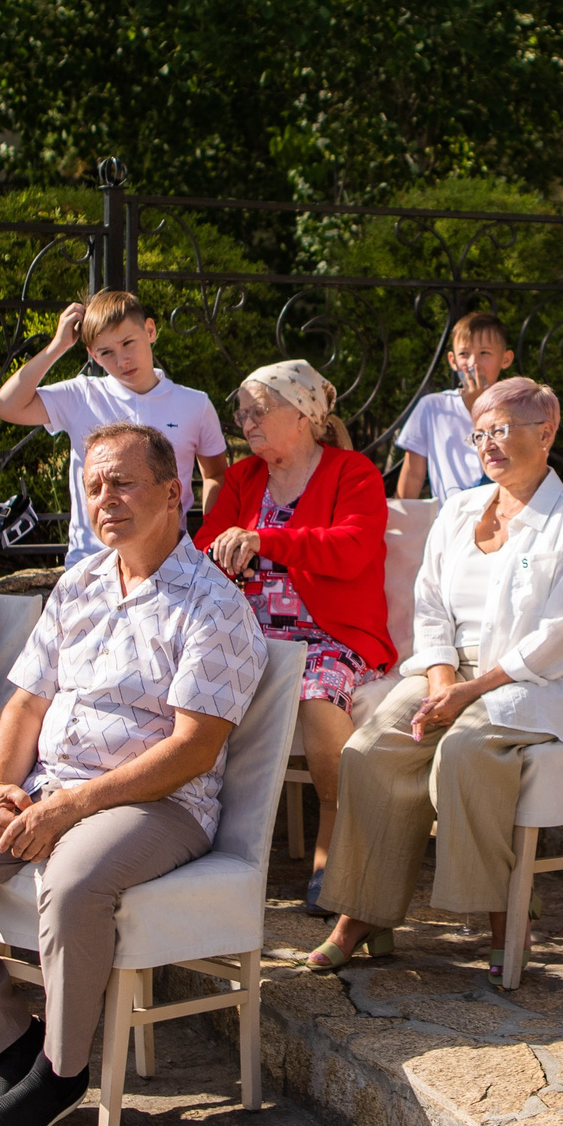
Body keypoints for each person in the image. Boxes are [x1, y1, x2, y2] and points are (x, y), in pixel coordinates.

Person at [0, 424, 264, 1126]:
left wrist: (73, 807)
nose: (104, 499)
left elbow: (194, 748)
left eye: (122, 482)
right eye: (92, 486)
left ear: (173, 493)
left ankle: (62, 1069)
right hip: (48, 787)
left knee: (74, 879)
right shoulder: (80, 583)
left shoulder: (213, 605)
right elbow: (25, 704)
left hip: (159, 805)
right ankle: (11, 1041)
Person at [305, 377, 563, 980]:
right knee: (369, 751)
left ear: (546, 434)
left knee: (465, 752)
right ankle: (361, 914)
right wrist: (444, 679)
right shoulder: (460, 510)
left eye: (501, 430)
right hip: (450, 670)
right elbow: (431, 605)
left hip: (533, 679)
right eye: (479, 433)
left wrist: (469, 691)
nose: (487, 444)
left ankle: (504, 915)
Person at [196, 361, 393, 912]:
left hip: (331, 635)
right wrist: (224, 550)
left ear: (303, 415)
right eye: (242, 413)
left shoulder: (353, 472)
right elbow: (206, 544)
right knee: (188, 684)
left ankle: (335, 849)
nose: (246, 423)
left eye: (259, 411)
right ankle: (197, 837)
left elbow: (351, 548)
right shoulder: (243, 477)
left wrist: (265, 541)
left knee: (317, 692)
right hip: (250, 634)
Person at [0, 289, 228, 561]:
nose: (122, 360)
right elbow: (4, 406)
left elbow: (215, 475)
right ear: (93, 355)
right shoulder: (80, 395)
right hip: (91, 562)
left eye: (128, 343)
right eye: (107, 352)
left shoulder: (195, 403)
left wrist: (209, 537)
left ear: (150, 330)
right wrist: (58, 346)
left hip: (169, 560)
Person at [395, 311, 515, 501]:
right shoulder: (432, 407)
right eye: (464, 354)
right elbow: (413, 475)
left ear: (505, 359)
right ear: (453, 360)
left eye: (484, 353)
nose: (473, 363)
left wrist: (477, 408)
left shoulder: (516, 410)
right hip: (448, 516)